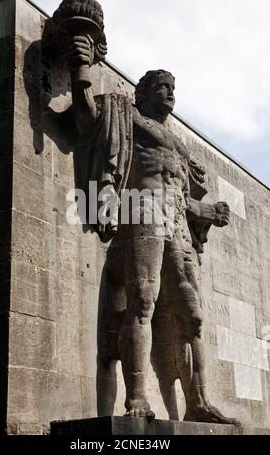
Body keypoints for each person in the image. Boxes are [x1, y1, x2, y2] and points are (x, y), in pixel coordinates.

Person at [68, 35, 238, 425]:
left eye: (173, 88)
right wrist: (81, 70)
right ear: (143, 93)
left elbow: (180, 197)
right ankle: (137, 399)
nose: (170, 94)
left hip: (176, 225)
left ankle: (199, 401)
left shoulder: (179, 148)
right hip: (141, 213)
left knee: (192, 317)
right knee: (141, 303)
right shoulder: (126, 116)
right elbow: (85, 117)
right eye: (162, 87)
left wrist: (208, 210)